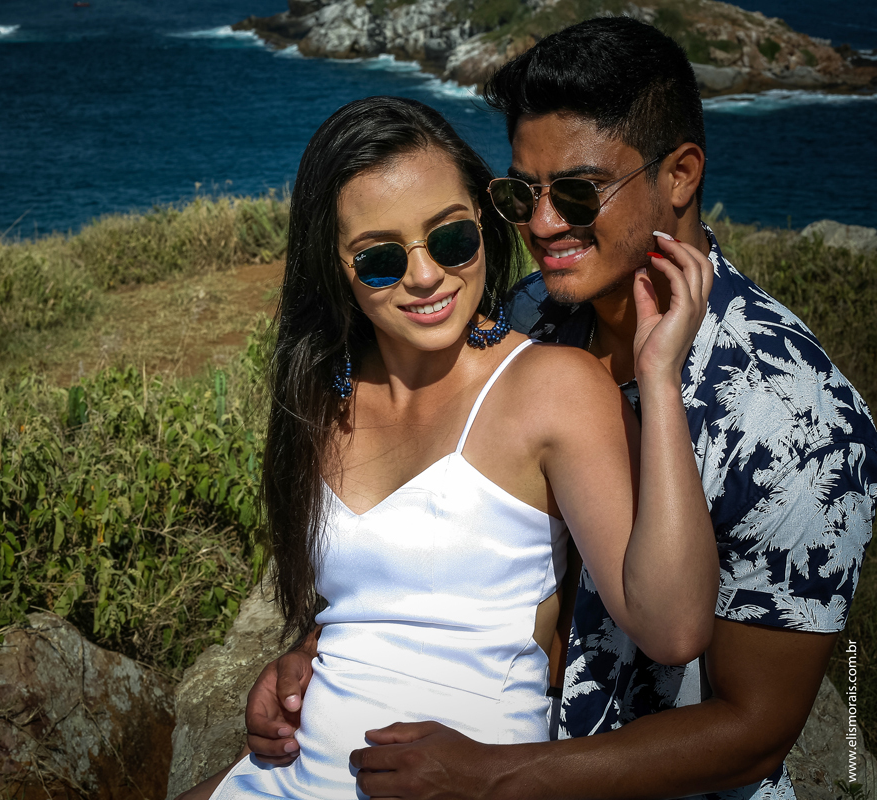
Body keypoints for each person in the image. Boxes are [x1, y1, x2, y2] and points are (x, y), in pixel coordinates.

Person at [244, 17, 877, 800]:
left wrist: (495, 775)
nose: (543, 226)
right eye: (522, 193)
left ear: (680, 175)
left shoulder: (801, 425)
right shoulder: (531, 311)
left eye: (577, 192)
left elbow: (752, 731)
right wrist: (329, 650)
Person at [189, 94, 719, 800]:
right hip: (288, 776)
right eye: (379, 258)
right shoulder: (324, 393)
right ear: (336, 267)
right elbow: (368, 605)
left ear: (483, 224)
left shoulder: (551, 387)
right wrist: (299, 658)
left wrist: (657, 379)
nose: (425, 275)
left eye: (450, 239)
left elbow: (674, 627)